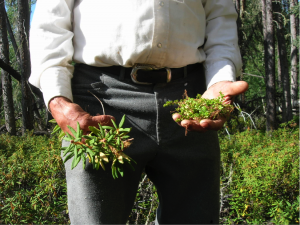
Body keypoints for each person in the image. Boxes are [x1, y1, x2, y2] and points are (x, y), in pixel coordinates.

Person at [29, 0, 248, 224]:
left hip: (192, 100)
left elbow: (220, 17)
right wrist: (58, 99)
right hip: (99, 102)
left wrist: (220, 80)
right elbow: (50, 21)